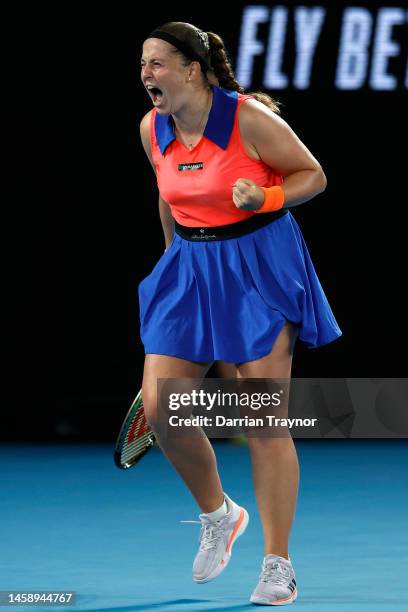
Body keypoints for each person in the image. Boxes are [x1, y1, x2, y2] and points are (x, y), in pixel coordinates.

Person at [138, 21, 342, 606]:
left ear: (193, 70)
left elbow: (314, 175)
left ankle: (279, 564)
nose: (147, 74)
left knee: (263, 418)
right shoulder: (154, 127)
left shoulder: (248, 118)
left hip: (258, 266)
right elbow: (166, 191)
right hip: (192, 266)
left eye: (157, 63)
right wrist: (172, 261)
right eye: (142, 64)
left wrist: (268, 196)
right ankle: (220, 515)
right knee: (161, 409)